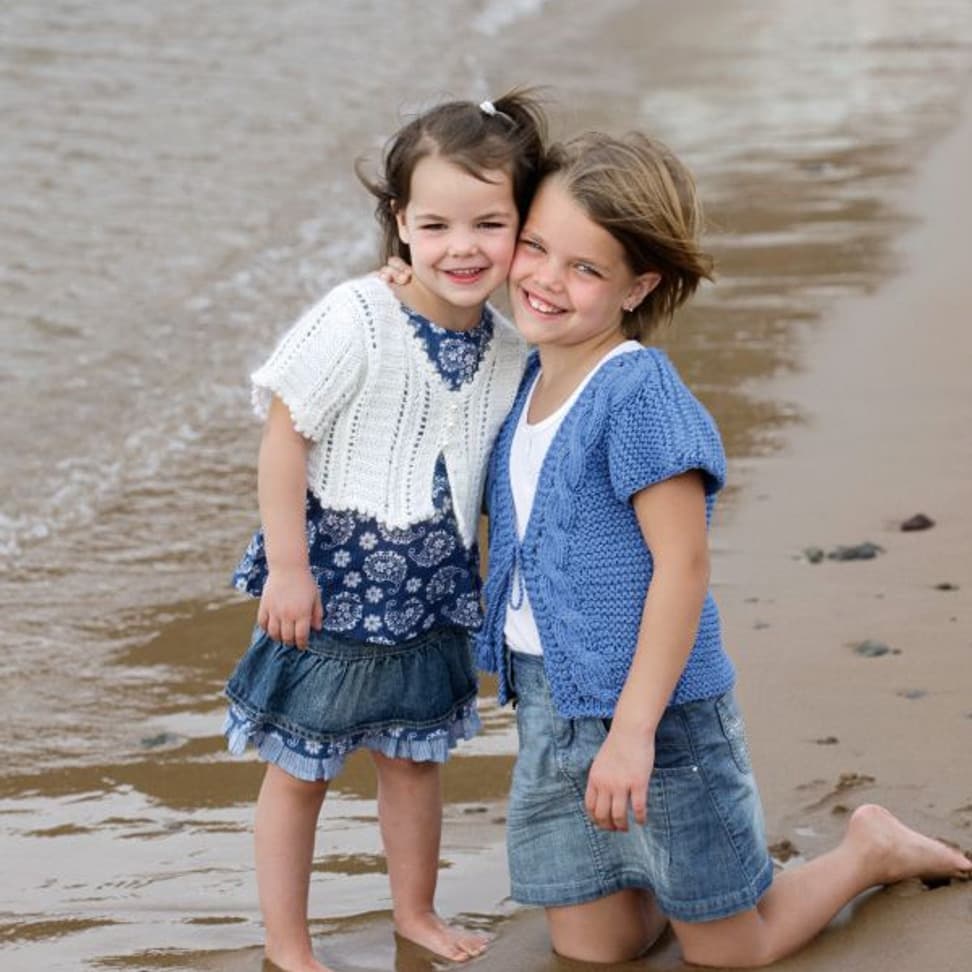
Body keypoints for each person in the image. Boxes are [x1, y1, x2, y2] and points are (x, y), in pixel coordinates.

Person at [469, 131, 972, 967]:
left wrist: (633, 732)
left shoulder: (636, 393)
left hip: (659, 716)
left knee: (732, 950)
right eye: (536, 247)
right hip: (553, 708)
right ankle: (671, 887)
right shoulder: (526, 376)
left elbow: (684, 566)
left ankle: (866, 852)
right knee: (597, 948)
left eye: (586, 268)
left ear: (639, 285)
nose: (548, 279)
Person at [223, 90, 547, 972]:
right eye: (435, 225)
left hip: (435, 588)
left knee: (413, 762)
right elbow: (284, 437)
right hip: (332, 582)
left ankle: (416, 913)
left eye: (490, 224)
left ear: (524, 227)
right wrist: (288, 567)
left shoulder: (511, 349)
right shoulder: (359, 316)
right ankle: (289, 945)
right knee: (302, 768)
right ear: (401, 223)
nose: (461, 247)